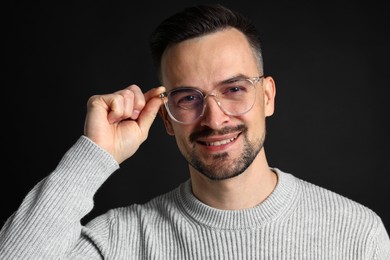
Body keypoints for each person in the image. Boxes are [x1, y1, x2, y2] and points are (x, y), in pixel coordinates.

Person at [1, 3, 389, 259]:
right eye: (189, 98)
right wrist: (92, 155)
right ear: (167, 118)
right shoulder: (120, 241)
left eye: (234, 89)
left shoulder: (356, 234)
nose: (215, 119)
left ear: (267, 96)